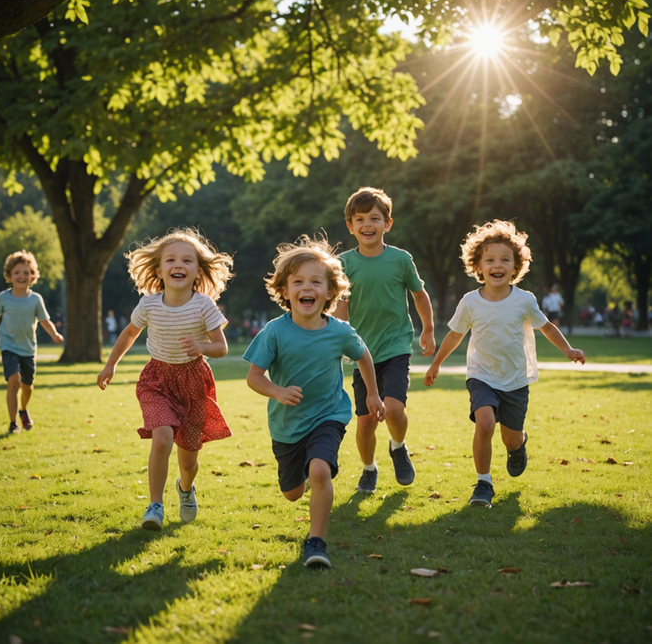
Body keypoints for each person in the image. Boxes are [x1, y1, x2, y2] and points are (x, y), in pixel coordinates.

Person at [244, 236, 384, 569]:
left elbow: (363, 356)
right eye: (298, 282)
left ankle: (316, 541)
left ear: (330, 292)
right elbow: (254, 377)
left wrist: (374, 394)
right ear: (285, 290)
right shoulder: (274, 332)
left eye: (315, 281)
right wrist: (277, 391)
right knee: (293, 492)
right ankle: (304, 477)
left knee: (320, 471)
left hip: (329, 414)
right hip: (287, 424)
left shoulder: (340, 331)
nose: (307, 288)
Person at [424, 220, 586, 508]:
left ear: (516, 266)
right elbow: (454, 335)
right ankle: (483, 484)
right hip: (481, 375)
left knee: (509, 439)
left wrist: (568, 348)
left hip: (514, 379)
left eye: (504, 259)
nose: (497, 265)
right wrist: (436, 364)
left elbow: (546, 327)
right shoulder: (470, 302)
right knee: (484, 423)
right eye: (490, 259)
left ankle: (518, 444)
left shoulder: (524, 300)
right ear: (478, 265)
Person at [97, 228, 233, 530]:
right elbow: (129, 333)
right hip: (157, 379)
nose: (178, 265)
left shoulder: (204, 306)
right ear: (159, 269)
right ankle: (155, 505)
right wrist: (110, 365)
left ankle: (185, 488)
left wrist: (201, 347)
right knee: (162, 439)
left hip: (194, 383)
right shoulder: (149, 304)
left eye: (187, 260)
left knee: (188, 460)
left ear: (198, 271)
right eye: (170, 260)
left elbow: (221, 347)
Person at [332, 187, 435, 494]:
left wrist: (427, 329)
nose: (367, 224)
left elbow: (419, 294)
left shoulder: (401, 260)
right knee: (365, 423)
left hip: (396, 346)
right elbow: (340, 306)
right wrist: (338, 338)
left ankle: (399, 446)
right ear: (350, 226)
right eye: (360, 219)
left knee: (392, 408)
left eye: (374, 218)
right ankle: (368, 469)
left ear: (387, 224)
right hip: (361, 351)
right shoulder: (343, 263)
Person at [0, 251, 64, 434]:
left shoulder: (36, 299)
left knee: (27, 386)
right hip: (8, 346)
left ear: (33, 276)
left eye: (26, 273)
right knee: (14, 381)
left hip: (28, 349)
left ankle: (23, 409)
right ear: (9, 276)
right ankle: (13, 423)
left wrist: (55, 334)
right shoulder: (3, 298)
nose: (22, 276)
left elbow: (45, 321)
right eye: (17, 272)